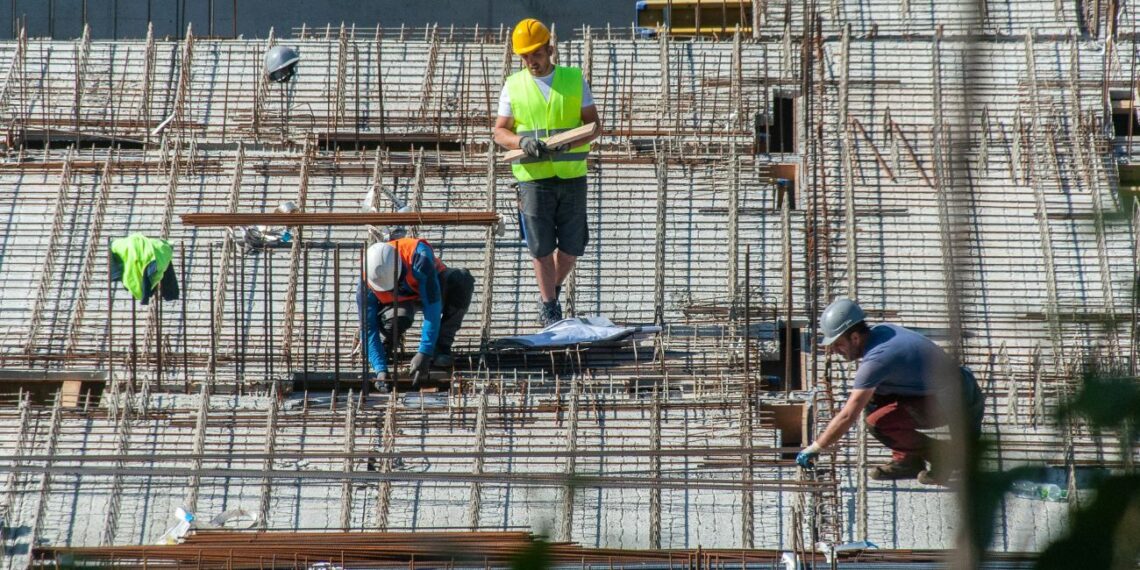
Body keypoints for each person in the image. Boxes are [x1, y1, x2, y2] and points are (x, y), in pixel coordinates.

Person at [795, 298, 985, 485]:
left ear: (855, 338)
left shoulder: (876, 360)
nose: (835, 350)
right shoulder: (882, 330)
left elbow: (847, 416)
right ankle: (907, 461)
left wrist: (815, 447)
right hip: (954, 388)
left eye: (838, 344)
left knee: (877, 423)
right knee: (872, 399)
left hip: (957, 403)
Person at [492, 18, 602, 327]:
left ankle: (550, 287)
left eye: (536, 54)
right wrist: (521, 142)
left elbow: (594, 126)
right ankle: (550, 305)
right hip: (533, 179)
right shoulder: (514, 85)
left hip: (571, 175)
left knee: (571, 247)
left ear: (550, 50)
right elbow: (499, 132)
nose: (531, 62)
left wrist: (571, 142)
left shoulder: (573, 79)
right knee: (540, 246)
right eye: (525, 56)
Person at [357, 237, 474, 393]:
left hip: (432, 286)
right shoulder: (367, 280)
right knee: (397, 320)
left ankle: (441, 346)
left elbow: (432, 307)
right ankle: (387, 344)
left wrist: (425, 351)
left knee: (462, 281)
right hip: (399, 304)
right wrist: (379, 369)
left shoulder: (419, 257)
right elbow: (368, 328)